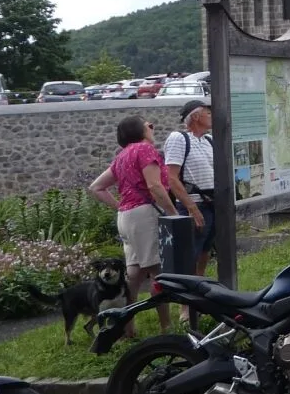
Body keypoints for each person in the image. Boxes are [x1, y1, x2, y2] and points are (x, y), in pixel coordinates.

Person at [88, 115, 178, 334]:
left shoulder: (122, 156)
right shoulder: (145, 149)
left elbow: (96, 187)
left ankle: (127, 327)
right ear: (138, 131)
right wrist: (173, 214)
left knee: (135, 274)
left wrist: (120, 205)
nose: (151, 126)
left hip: (126, 218)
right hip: (144, 217)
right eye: (147, 124)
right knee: (158, 272)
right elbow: (155, 186)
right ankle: (166, 326)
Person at [161, 99, 216, 277]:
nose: (211, 116)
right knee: (190, 253)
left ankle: (200, 289)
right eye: (208, 113)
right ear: (196, 116)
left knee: (205, 250)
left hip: (212, 203)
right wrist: (191, 206)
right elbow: (172, 177)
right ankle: (187, 302)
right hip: (194, 204)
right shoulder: (179, 138)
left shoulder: (209, 140)